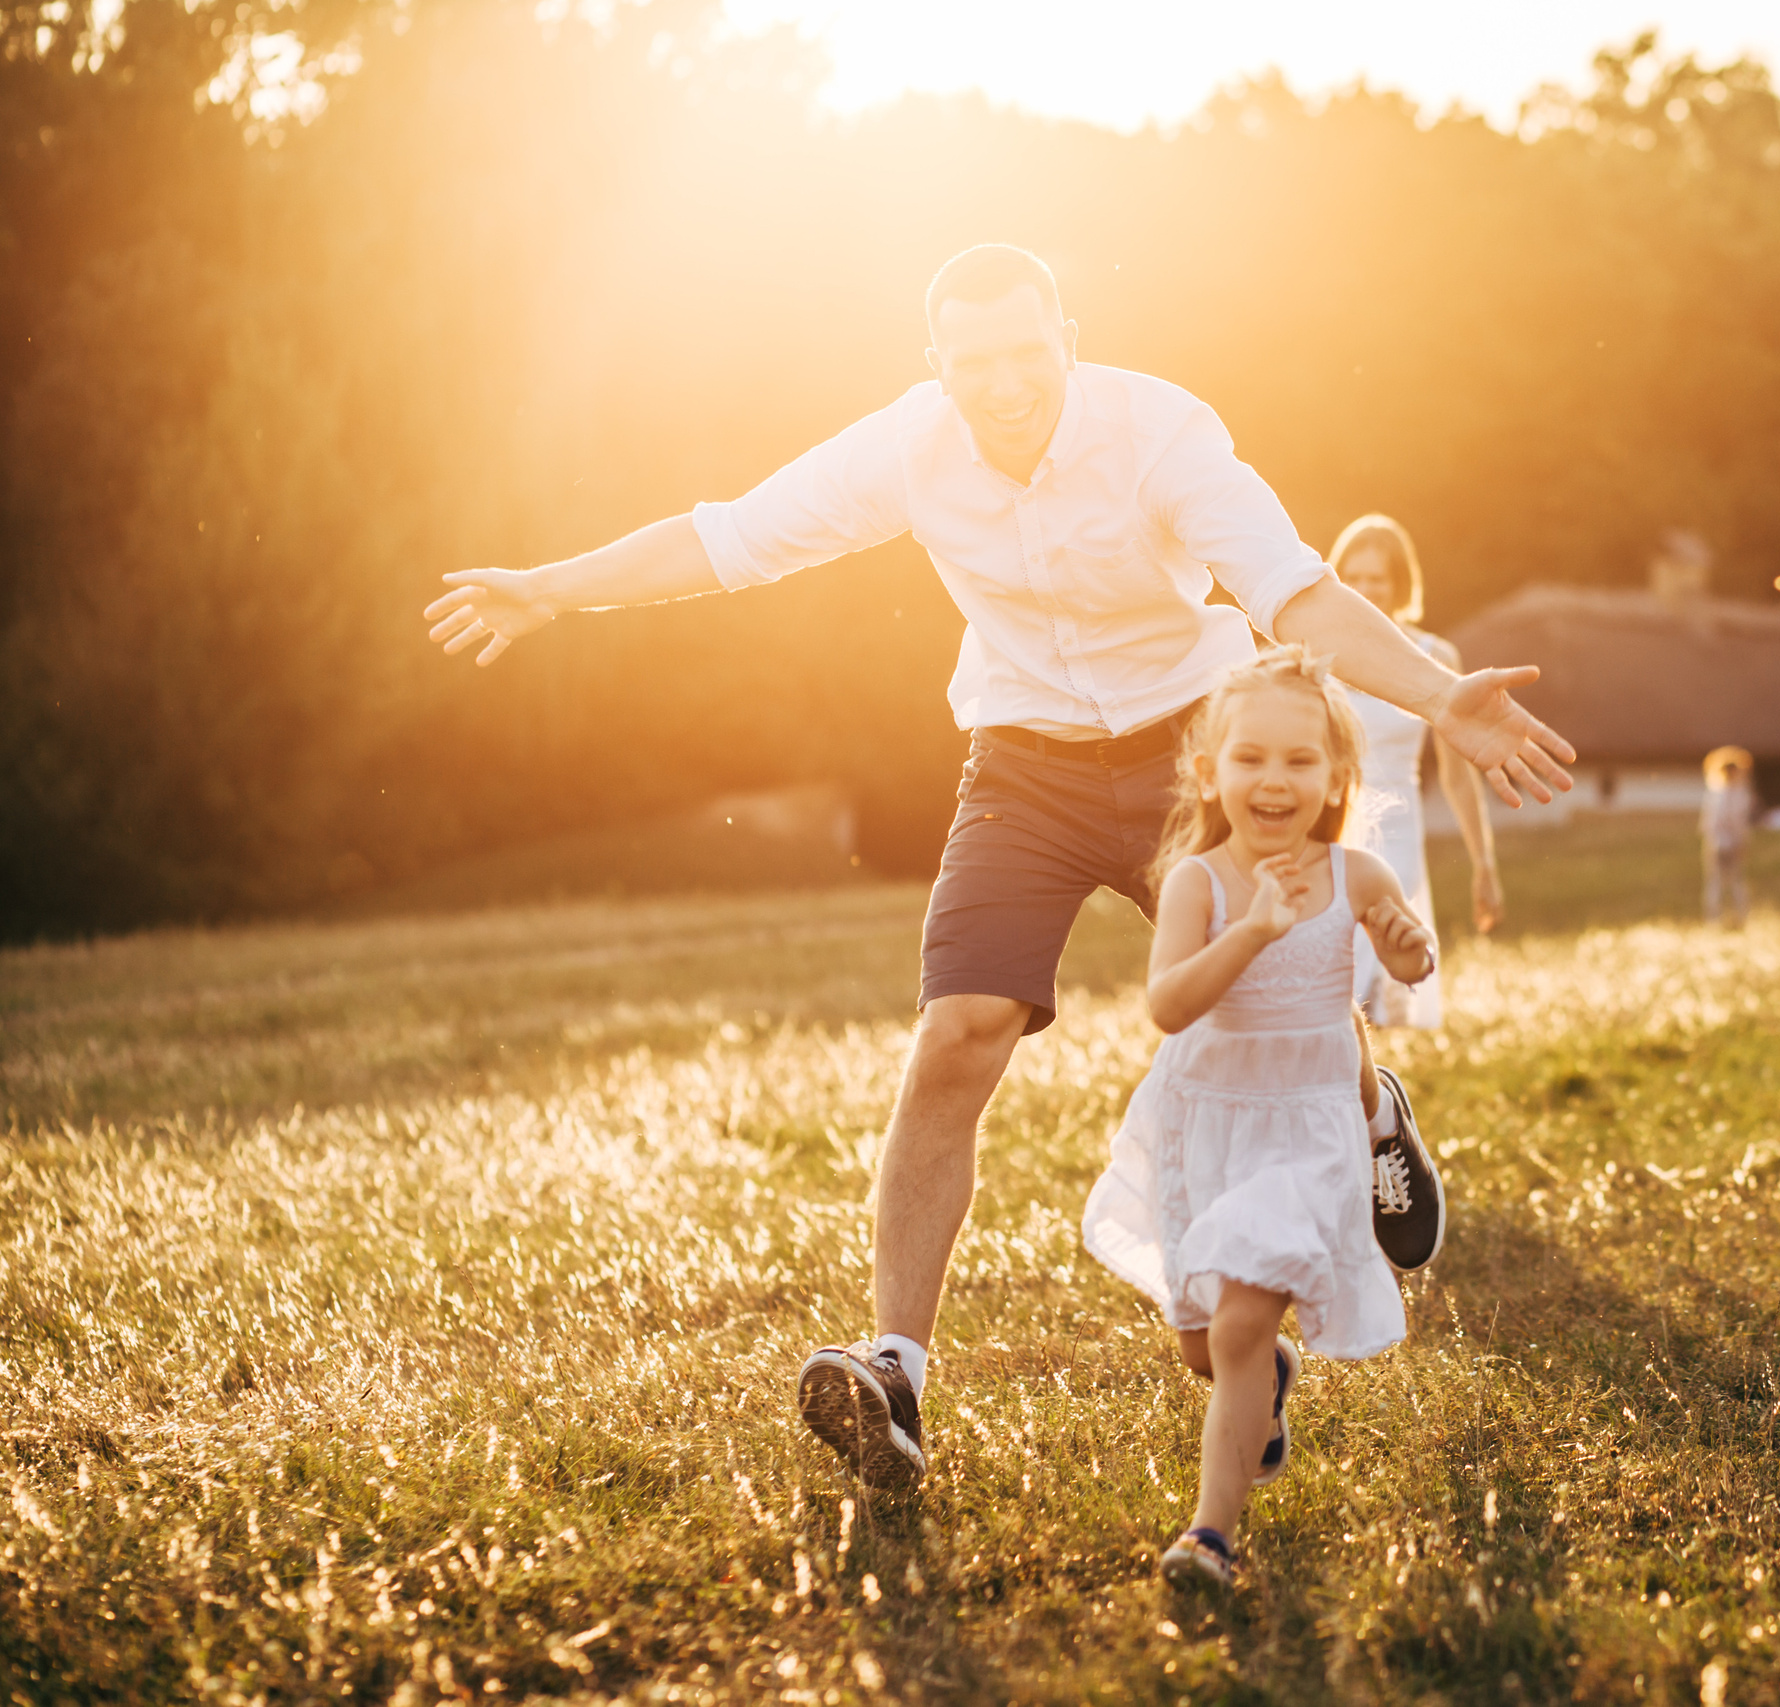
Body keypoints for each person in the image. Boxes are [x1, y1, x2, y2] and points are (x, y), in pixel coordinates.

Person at [421, 245, 1575, 1490]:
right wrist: (551, 589)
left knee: (1274, 997)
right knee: (958, 1032)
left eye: (1027, 352)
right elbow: (729, 539)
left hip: (1190, 744)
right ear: (939, 365)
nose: (1006, 383)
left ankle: (1370, 1109)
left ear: (1065, 339)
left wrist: (1439, 695)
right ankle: (895, 1374)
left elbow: (1291, 593)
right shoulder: (909, 447)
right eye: (975, 362)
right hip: (1024, 766)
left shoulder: (1159, 435)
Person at [1082, 649, 1431, 1589]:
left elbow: (1409, 962)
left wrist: (1409, 946)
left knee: (1238, 1325)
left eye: (1300, 760)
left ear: (1337, 778)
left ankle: (1210, 1536)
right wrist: (1252, 930)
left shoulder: (1357, 875)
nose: (1274, 780)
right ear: (1209, 773)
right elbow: (1168, 1004)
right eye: (1250, 758)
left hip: (1306, 1129)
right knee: (1207, 1344)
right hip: (1205, 1126)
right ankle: (1263, 1382)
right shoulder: (1198, 883)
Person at [1328, 515, 1503, 1027]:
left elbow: (1456, 775)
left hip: (1399, 829)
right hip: (1333, 824)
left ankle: (1381, 1044)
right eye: (1353, 577)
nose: (1364, 589)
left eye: (1376, 578)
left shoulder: (1435, 656)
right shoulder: (1319, 651)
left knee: (1385, 953)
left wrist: (1483, 862)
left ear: (1400, 584)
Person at [1700, 746, 1754, 926]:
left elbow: (1708, 822)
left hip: (1718, 842)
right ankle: (1730, 917)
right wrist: (1741, 841)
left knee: (1721, 882)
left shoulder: (1714, 793)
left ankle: (1720, 919)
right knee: (1730, 881)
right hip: (1725, 842)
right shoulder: (1739, 795)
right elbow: (1737, 823)